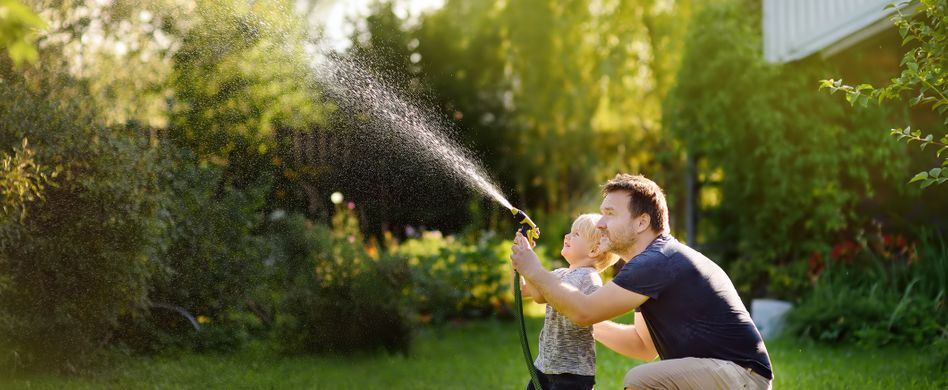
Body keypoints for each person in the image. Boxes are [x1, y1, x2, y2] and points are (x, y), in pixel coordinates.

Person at [510, 174, 773, 390]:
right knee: (644, 377)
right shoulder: (652, 262)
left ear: (641, 222)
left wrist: (534, 269)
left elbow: (584, 311)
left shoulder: (655, 261)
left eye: (610, 214)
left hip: (742, 377)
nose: (600, 223)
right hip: (731, 375)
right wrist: (574, 314)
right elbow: (642, 345)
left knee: (640, 381)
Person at [518, 213, 620, 390]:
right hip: (544, 367)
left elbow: (547, 295)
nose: (567, 236)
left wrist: (532, 267)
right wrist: (522, 265)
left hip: (572, 374)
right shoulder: (559, 273)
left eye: (576, 234)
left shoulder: (590, 277)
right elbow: (528, 292)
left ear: (594, 250)